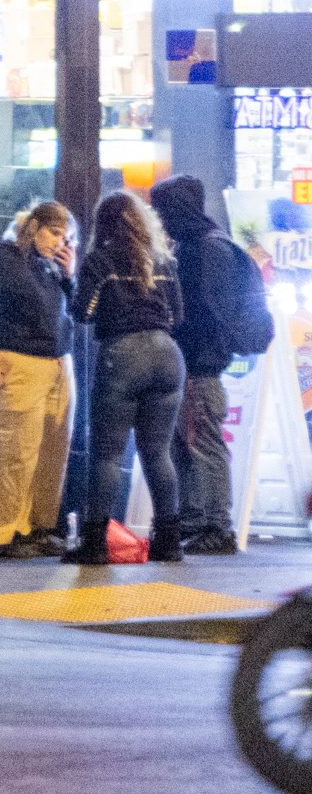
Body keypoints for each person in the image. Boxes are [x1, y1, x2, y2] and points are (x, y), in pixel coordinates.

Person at [75, 191, 186, 567]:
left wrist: (66, 281)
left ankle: (93, 545)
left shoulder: (99, 259)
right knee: (158, 451)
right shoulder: (163, 260)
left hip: (123, 355)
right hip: (168, 355)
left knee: (106, 454)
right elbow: (177, 315)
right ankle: (169, 542)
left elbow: (83, 313)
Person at [0, 200, 78, 560]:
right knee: (13, 452)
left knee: (51, 453)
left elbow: (76, 313)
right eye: (55, 232)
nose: (59, 242)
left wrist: (69, 277)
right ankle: (3, 532)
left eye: (66, 237)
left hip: (58, 364)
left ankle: (39, 526)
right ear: (33, 226)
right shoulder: (1, 258)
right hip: (15, 361)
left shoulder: (52, 270)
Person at [150, 176, 246, 556]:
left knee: (202, 445)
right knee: (187, 444)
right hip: (196, 365)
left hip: (197, 367)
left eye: (161, 208)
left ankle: (217, 527)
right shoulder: (206, 243)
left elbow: (202, 312)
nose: (157, 217)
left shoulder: (200, 250)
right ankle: (196, 520)